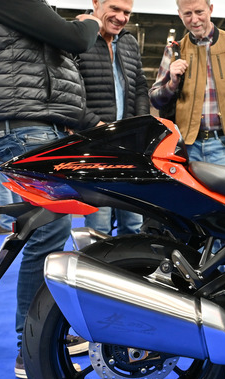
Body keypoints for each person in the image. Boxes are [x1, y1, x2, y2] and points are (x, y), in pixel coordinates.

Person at [0, 0, 101, 378]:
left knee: (49, 234)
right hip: (26, 129)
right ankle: (30, 347)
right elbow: (74, 38)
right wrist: (90, 22)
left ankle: (45, 333)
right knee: (45, 235)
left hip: (34, 127)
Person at [149, 0, 225, 168]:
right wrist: (171, 84)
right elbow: (155, 99)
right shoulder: (174, 50)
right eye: (187, 14)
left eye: (199, 12)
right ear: (180, 14)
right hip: (189, 148)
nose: (194, 19)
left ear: (211, 9)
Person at [78, 0, 147, 235]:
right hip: (93, 144)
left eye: (127, 12)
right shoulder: (78, 37)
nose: (121, 17)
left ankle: (134, 269)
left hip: (129, 146)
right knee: (98, 225)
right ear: (96, 3)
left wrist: (140, 126)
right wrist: (94, 125)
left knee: (134, 223)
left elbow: (139, 86)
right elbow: (67, 91)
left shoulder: (128, 41)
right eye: (114, 9)